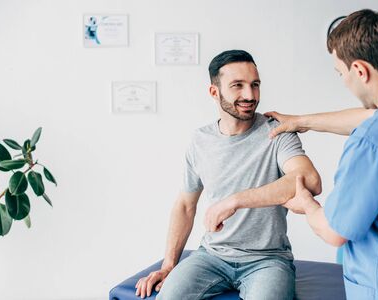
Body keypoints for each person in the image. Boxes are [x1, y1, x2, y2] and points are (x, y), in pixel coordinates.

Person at [265, 9, 378, 299]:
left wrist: (307, 204)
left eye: (341, 73)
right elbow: (374, 118)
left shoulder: (374, 141)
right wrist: (301, 121)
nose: (343, 80)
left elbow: (334, 231)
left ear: (360, 70)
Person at [135, 50, 321, 299]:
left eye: (255, 85)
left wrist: (235, 200)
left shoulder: (277, 132)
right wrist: (169, 265)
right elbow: (185, 205)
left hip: (267, 259)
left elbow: (309, 179)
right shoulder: (200, 140)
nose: (250, 95)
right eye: (238, 86)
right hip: (211, 256)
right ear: (214, 92)